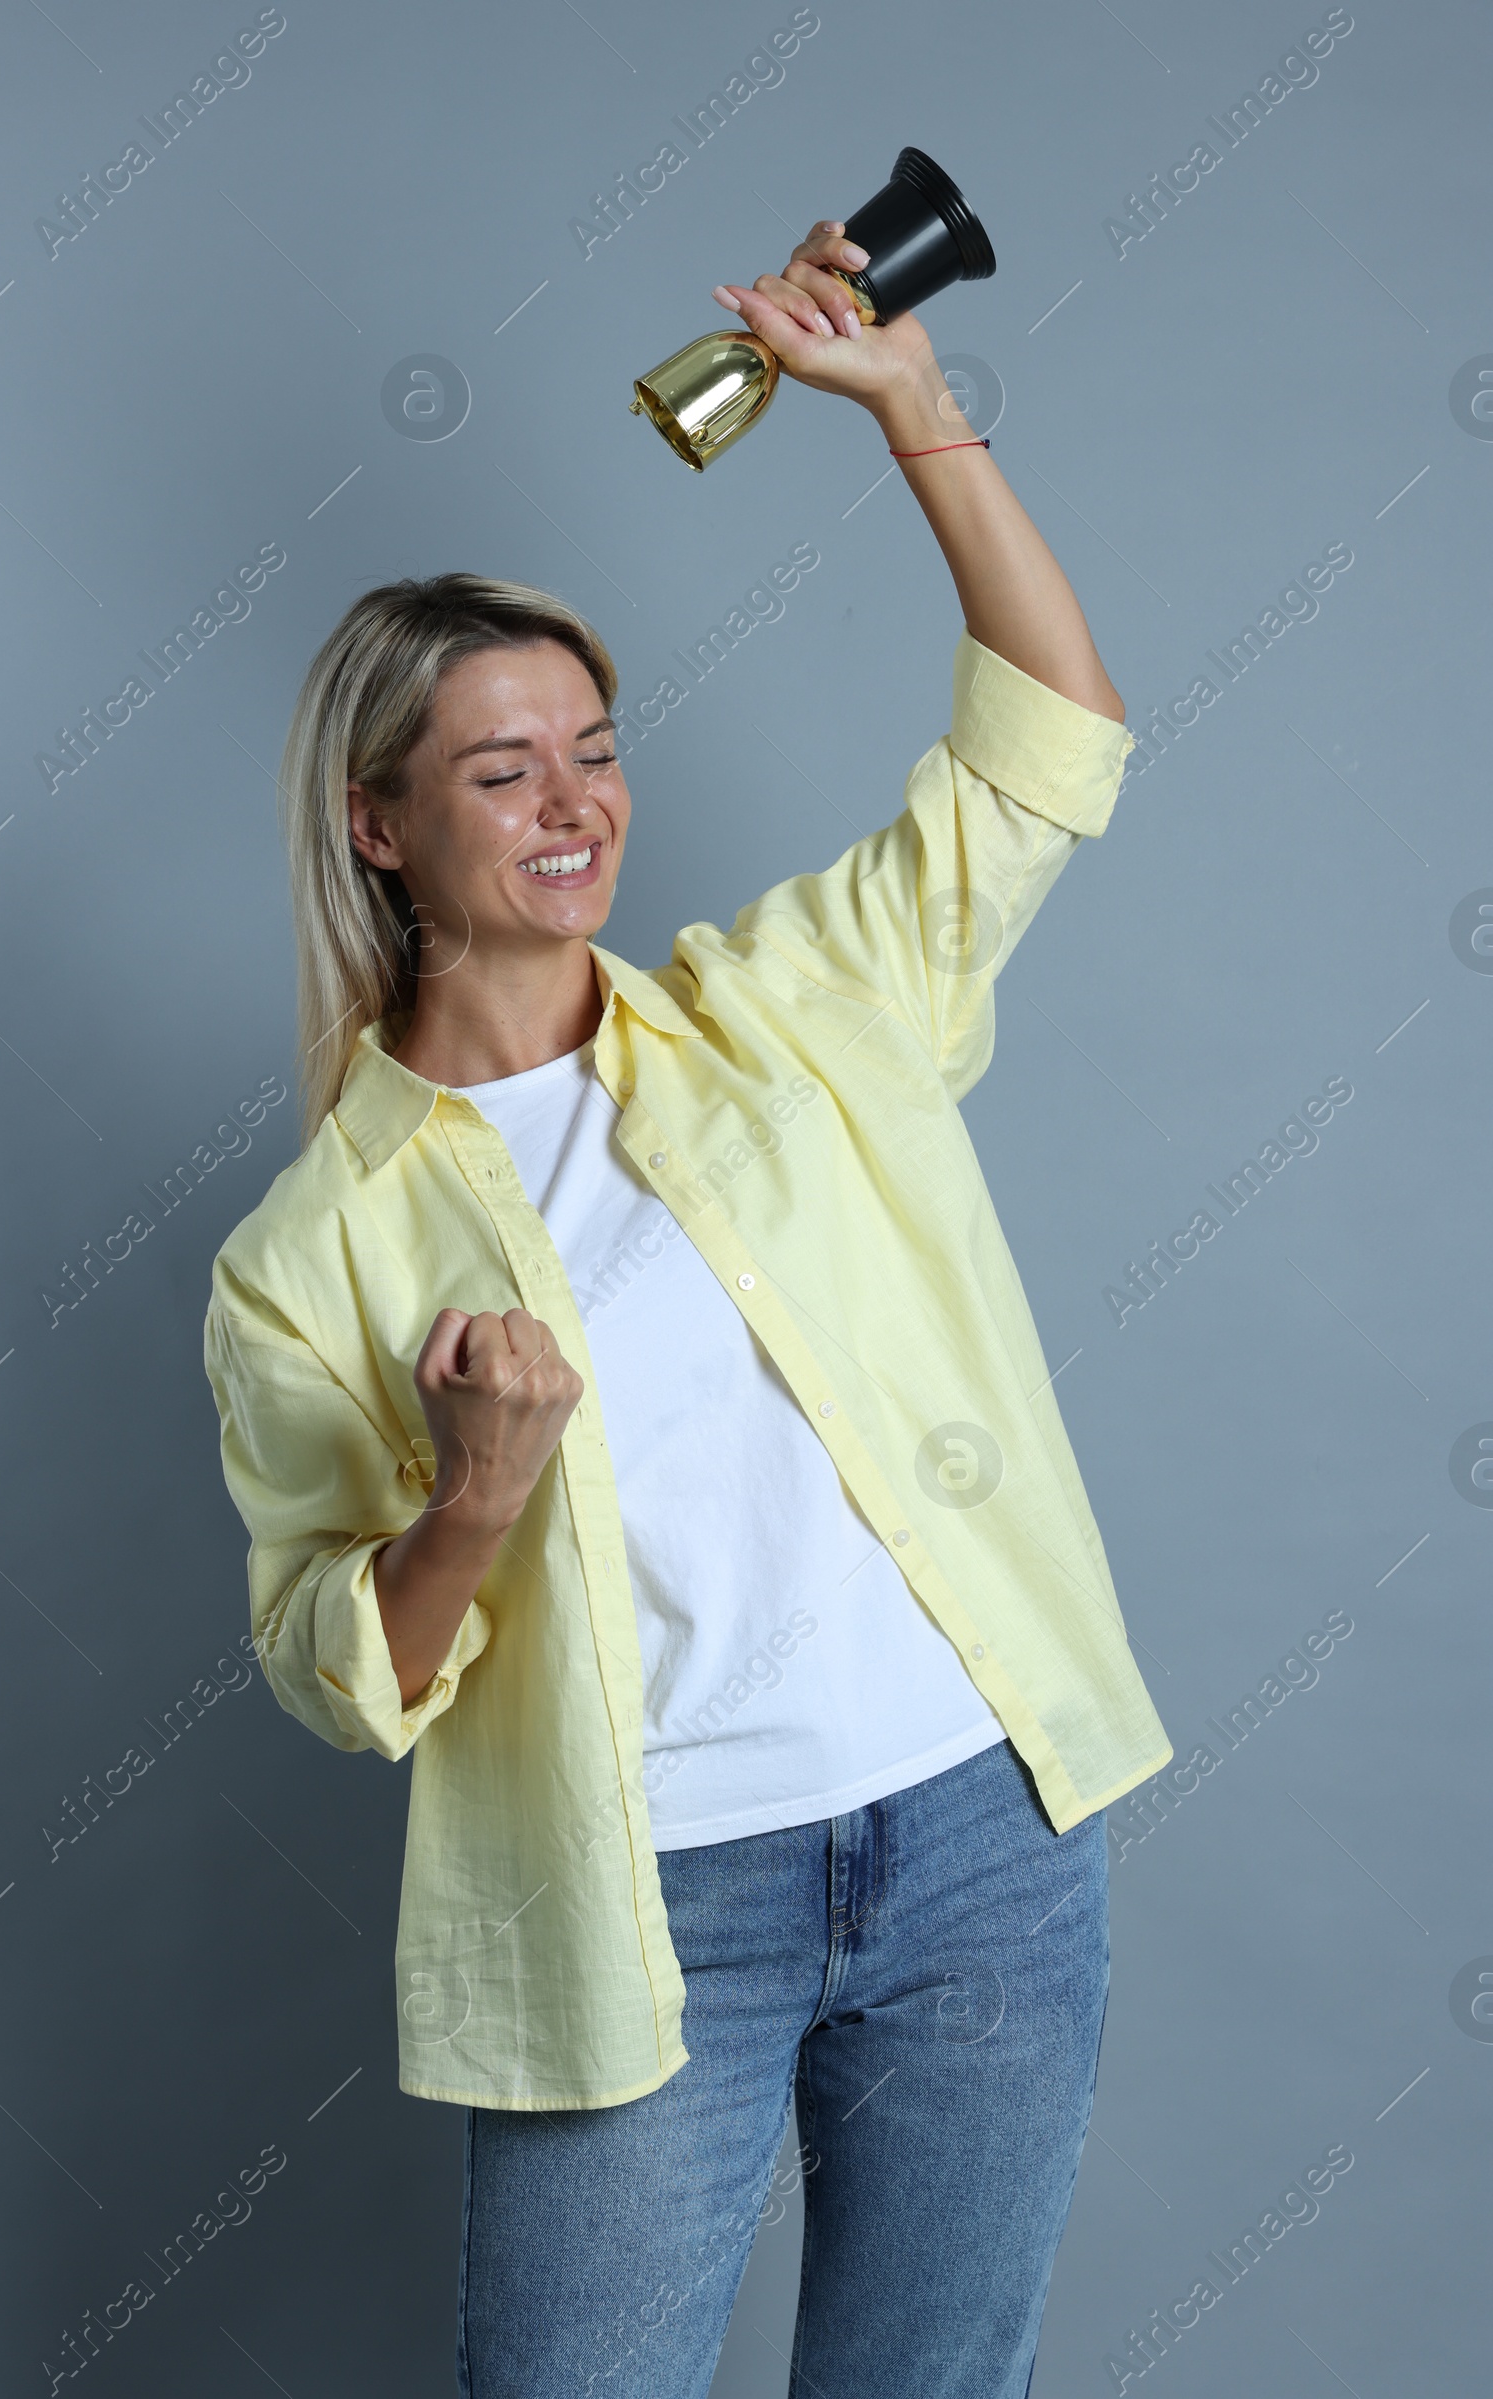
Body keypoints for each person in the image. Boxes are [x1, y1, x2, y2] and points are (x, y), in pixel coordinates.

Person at [203, 217, 1172, 2399]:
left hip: (978, 1840)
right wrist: (472, 1499)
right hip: (650, 1900)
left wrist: (911, 407)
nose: (577, 808)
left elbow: (1049, 747)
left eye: (595, 749)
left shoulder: (788, 1012)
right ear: (376, 825)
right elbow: (335, 1673)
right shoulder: (309, 1256)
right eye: (500, 770)